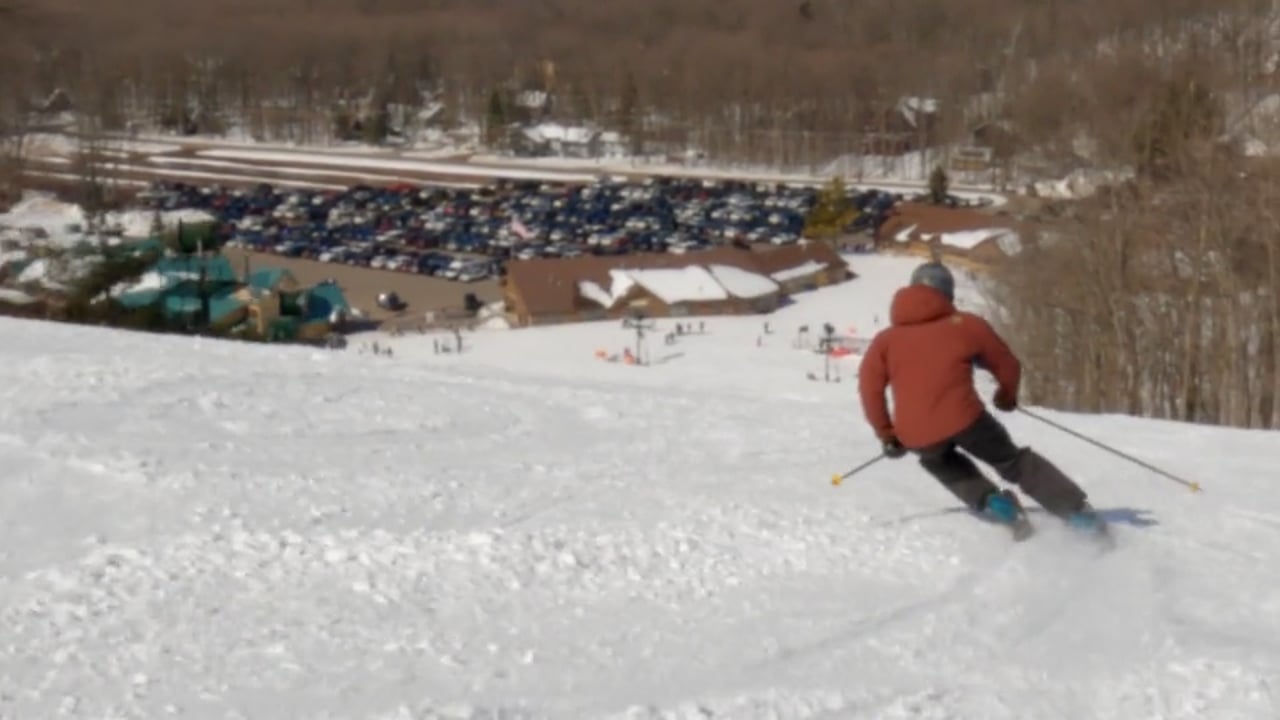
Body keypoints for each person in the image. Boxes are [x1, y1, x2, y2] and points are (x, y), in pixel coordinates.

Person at [856, 261, 1102, 533]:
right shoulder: (966, 325)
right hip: (967, 419)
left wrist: (887, 435)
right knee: (1012, 461)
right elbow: (1007, 365)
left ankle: (994, 502)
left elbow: (869, 389)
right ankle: (1077, 513)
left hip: (916, 433)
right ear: (947, 294)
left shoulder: (884, 341)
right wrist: (1006, 395)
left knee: (939, 461)